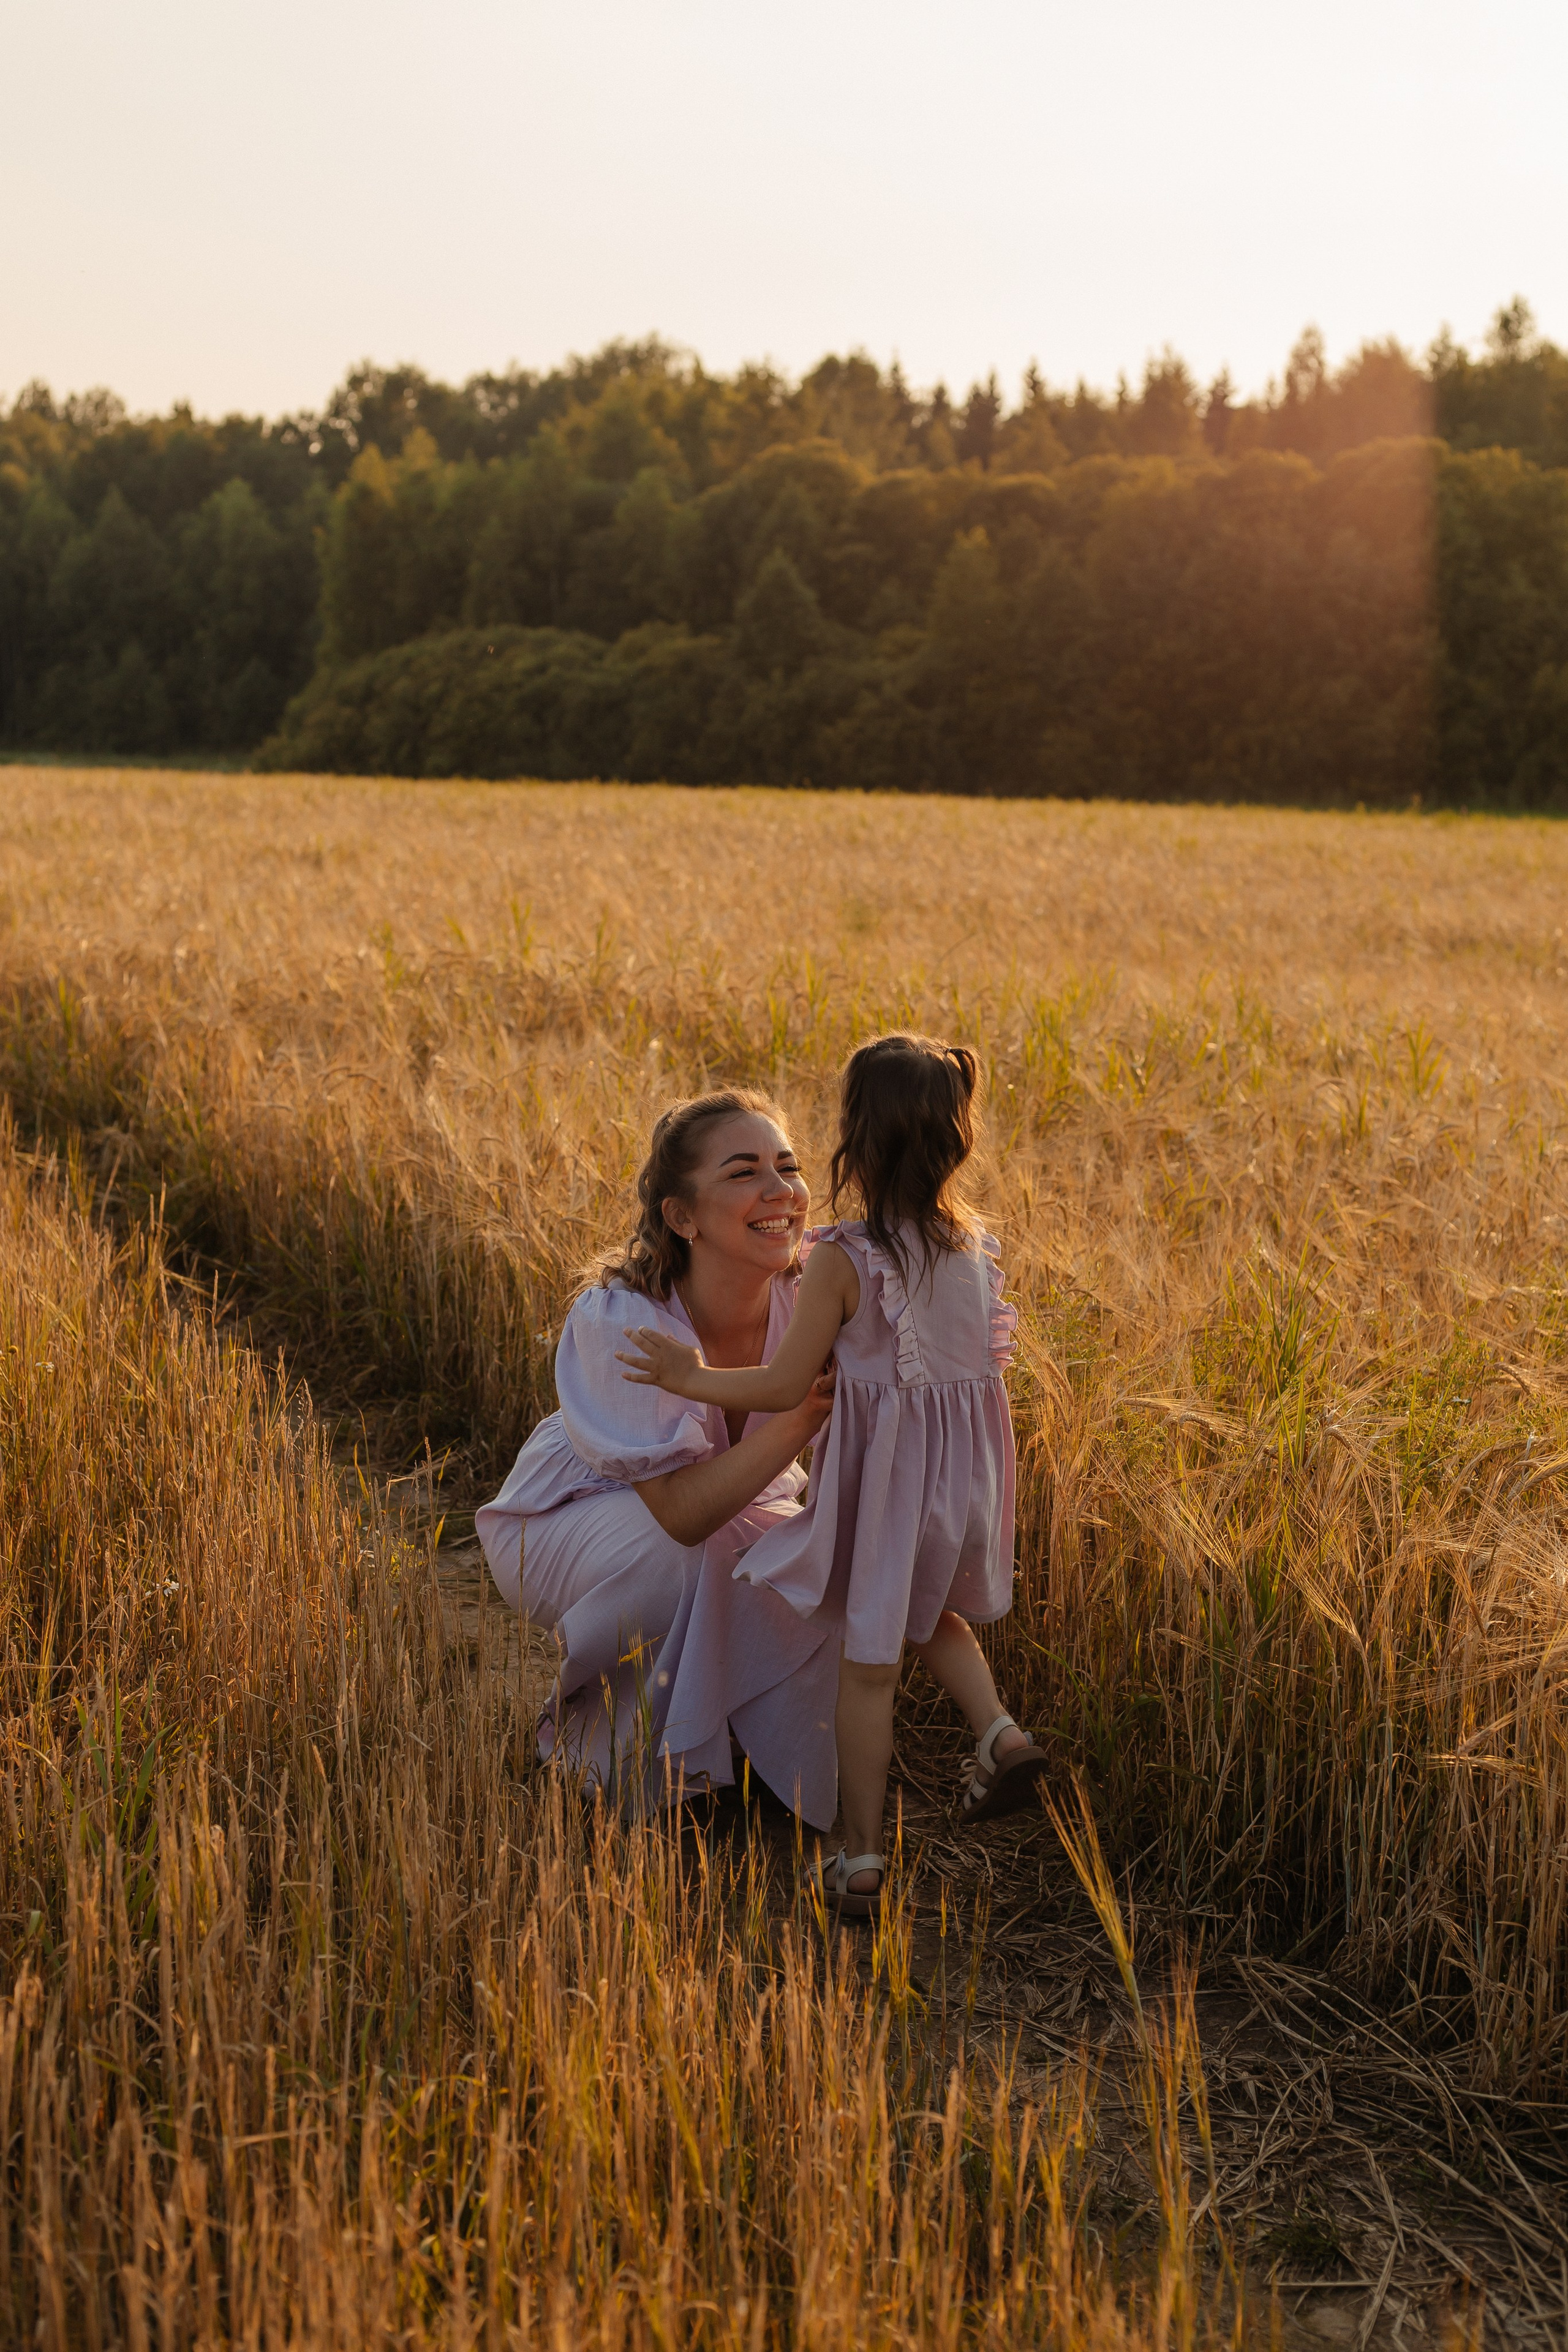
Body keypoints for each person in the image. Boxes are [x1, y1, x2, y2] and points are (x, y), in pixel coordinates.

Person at [618, 1031, 1049, 1918]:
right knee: (937, 1617)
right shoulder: (974, 1252)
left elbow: (783, 1384)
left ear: (855, 1139)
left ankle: (857, 1857)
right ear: (955, 1137)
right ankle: (999, 1731)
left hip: (882, 1495)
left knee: (868, 1670)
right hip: (962, 1487)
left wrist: (686, 1375)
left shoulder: (847, 1259)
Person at [476, 1088, 842, 1824]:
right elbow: (678, 1515)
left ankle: (745, 1760)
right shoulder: (624, 1319)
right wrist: (799, 1416)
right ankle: (595, 1755)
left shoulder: (817, 1296)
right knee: (691, 1559)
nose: (781, 1192)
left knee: (814, 1567)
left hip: (725, 1511)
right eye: (743, 1173)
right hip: (567, 1525)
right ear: (681, 1216)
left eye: (789, 1165)